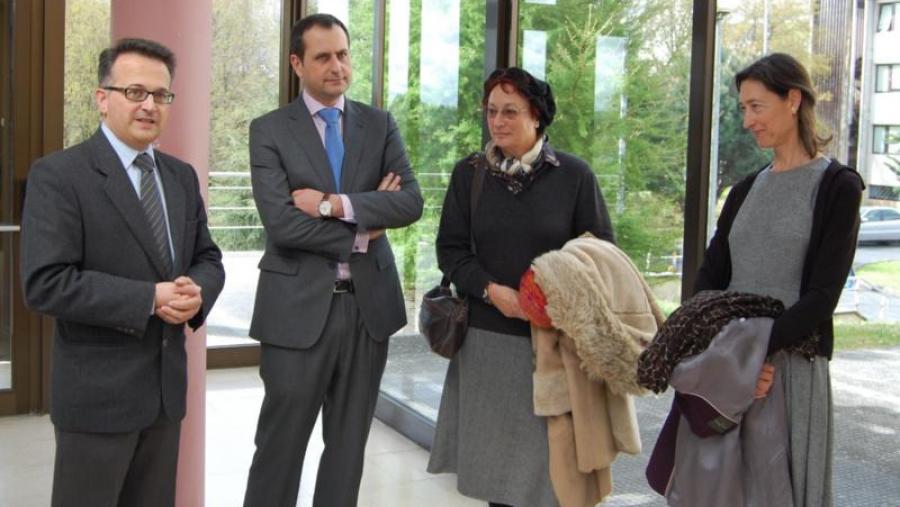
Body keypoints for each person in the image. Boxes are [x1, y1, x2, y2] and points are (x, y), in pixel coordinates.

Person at [20, 38, 225, 507]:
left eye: (160, 95)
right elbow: (45, 283)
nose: (149, 105)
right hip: (97, 400)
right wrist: (150, 299)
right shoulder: (59, 176)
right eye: (135, 91)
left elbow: (207, 258)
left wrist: (197, 291)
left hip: (164, 395)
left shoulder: (179, 176)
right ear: (102, 98)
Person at [242, 13, 424, 507]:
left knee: (347, 451)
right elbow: (282, 225)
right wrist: (365, 227)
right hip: (296, 312)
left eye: (343, 54)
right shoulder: (269, 131)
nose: (337, 66)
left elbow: (410, 202)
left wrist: (333, 205)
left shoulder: (379, 124)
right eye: (323, 57)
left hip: (368, 312)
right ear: (298, 62)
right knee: (279, 449)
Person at [427, 67, 615, 507]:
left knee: (553, 480)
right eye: (492, 111)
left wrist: (551, 288)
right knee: (500, 482)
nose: (498, 121)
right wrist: (493, 291)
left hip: (553, 346)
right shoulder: (468, 174)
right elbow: (451, 251)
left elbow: (601, 249)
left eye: (510, 111)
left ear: (537, 117)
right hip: (487, 346)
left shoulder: (574, 176)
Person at [694, 52, 864, 506]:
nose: (747, 121)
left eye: (756, 106)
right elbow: (710, 278)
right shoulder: (745, 189)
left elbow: (821, 296)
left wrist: (754, 356)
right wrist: (728, 356)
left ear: (793, 100)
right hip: (732, 369)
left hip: (790, 371)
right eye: (743, 108)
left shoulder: (838, 187)